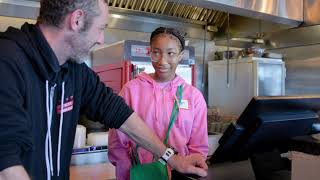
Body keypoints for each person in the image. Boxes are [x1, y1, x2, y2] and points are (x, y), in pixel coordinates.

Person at [0, 0, 208, 180]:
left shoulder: (75, 71)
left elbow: (119, 114)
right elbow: (5, 161)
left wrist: (173, 159)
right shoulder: (7, 61)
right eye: (100, 28)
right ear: (77, 20)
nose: (101, 39)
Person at [108, 27, 209, 180]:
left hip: (179, 175)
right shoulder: (131, 90)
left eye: (171, 53)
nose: (162, 61)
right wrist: (128, 172)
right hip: (138, 174)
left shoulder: (194, 97)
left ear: (180, 56)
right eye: (156, 52)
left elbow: (198, 147)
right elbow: (117, 141)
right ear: (150, 52)